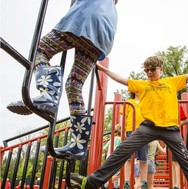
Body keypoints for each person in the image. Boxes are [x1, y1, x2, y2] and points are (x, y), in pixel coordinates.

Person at [70, 52, 188, 189]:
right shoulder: (143, 85)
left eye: (152, 70)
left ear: (160, 69)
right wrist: (103, 69)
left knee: (187, 162)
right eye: (147, 70)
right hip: (148, 127)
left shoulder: (171, 82)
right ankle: (91, 184)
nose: (149, 73)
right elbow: (121, 79)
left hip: (170, 129)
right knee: (121, 150)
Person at [7, 0, 119, 161]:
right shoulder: (112, 8)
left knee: (40, 50)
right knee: (74, 85)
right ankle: (78, 144)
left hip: (84, 20)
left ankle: (49, 94)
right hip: (102, 39)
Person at [119, 92, 150, 189]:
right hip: (130, 130)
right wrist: (122, 130)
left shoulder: (146, 102)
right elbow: (123, 117)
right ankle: (127, 183)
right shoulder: (129, 102)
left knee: (143, 159)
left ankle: (144, 183)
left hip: (144, 131)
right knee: (129, 159)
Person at [160, 105, 188, 189]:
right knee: (171, 162)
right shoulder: (164, 106)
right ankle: (173, 186)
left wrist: (175, 125)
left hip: (175, 135)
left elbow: (185, 120)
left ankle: (178, 187)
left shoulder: (176, 105)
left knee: (176, 162)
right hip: (167, 136)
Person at [101, 124, 122, 189]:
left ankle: (116, 187)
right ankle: (105, 184)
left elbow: (104, 149)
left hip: (109, 158)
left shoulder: (111, 140)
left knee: (114, 172)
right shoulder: (121, 139)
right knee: (120, 173)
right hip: (117, 158)